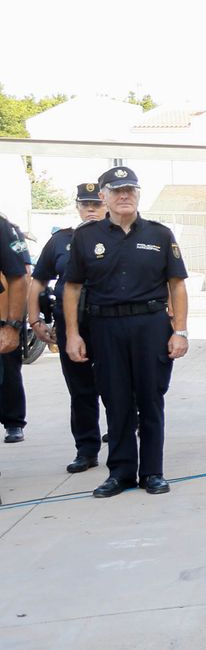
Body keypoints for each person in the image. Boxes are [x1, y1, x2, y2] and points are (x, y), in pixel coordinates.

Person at [61, 167, 190, 497]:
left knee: (150, 399)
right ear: (103, 196)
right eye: (117, 191)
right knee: (115, 401)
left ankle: (152, 472)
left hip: (149, 326)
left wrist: (181, 331)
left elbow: (177, 285)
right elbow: (72, 288)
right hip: (104, 327)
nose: (124, 196)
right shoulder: (86, 237)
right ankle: (120, 472)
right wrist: (73, 334)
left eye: (130, 190)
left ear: (138, 194)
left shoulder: (159, 235)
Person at [27, 183, 107, 472]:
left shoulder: (119, 237)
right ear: (77, 207)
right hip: (70, 323)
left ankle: (123, 442)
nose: (90, 210)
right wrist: (34, 319)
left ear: (106, 204)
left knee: (118, 385)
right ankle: (86, 449)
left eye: (95, 205)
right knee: (80, 388)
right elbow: (38, 280)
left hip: (108, 322)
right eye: (85, 205)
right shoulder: (62, 240)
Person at [1, 214, 30, 442]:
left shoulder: (5, 228)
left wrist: (12, 324)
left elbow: (20, 275)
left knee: (9, 370)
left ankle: (14, 421)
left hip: (3, 312)